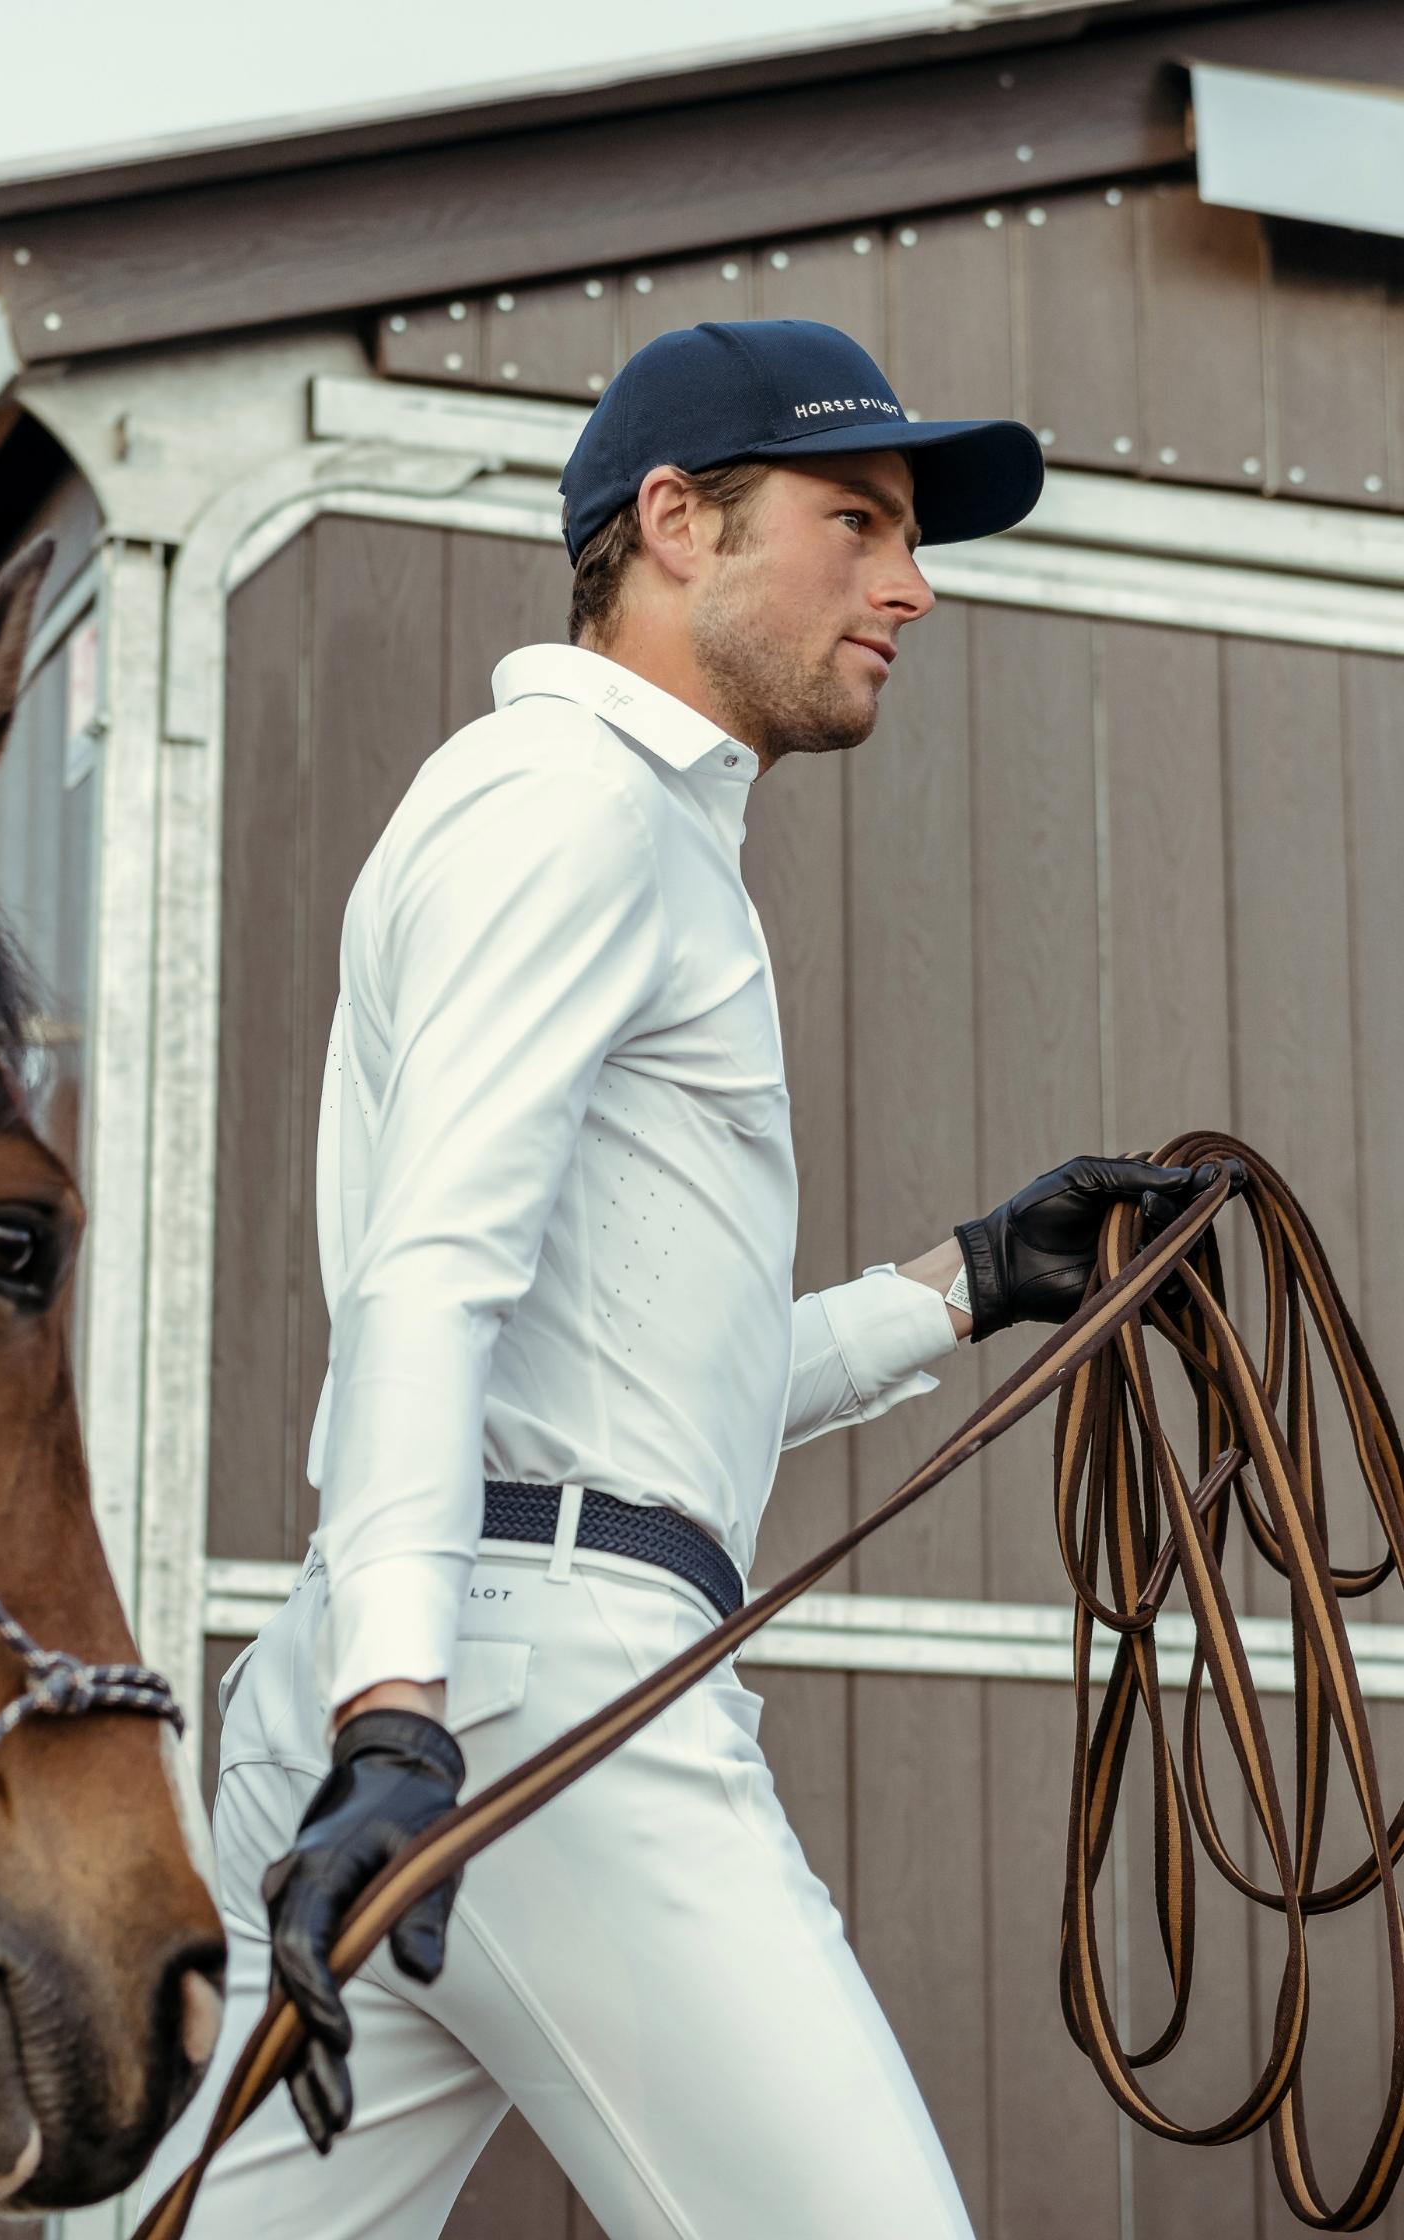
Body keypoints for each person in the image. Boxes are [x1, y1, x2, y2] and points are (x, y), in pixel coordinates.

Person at [140, 319, 1234, 2238]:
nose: (911, 584)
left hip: (448, 1658)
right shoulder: (571, 805)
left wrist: (970, 1283)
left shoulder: (608, 822)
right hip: (520, 1696)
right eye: (859, 520)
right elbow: (430, 1276)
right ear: (675, 522)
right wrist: (405, 1720)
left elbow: (626, 1376)